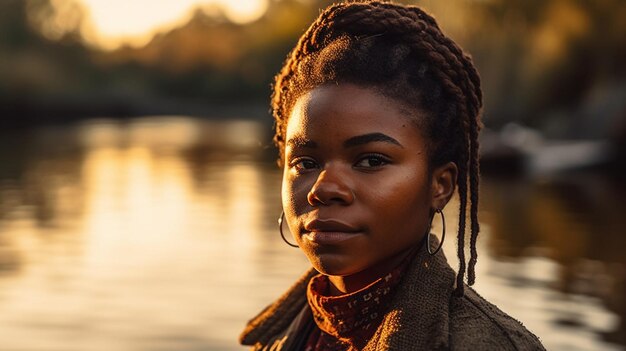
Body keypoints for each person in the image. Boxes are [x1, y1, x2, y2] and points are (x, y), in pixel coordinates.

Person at [240, 1, 545, 350]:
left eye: (370, 161)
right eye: (306, 163)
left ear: (440, 186)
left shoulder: (487, 344)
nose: (324, 189)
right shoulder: (284, 333)